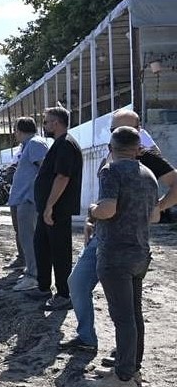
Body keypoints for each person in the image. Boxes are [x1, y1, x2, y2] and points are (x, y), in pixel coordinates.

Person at [60, 109, 177, 352]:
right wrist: (93, 222)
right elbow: (106, 198)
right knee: (79, 284)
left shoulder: (147, 157)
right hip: (104, 236)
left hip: (125, 243)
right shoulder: (111, 156)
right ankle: (88, 338)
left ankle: (125, 361)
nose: (118, 134)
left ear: (139, 131)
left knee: (126, 310)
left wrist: (159, 208)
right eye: (114, 130)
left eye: (126, 129)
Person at [85, 126, 160, 387]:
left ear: (111, 148)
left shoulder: (111, 170)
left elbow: (107, 209)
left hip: (116, 253)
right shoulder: (148, 174)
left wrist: (92, 211)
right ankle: (132, 369)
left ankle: (123, 376)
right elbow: (155, 216)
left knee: (123, 317)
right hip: (140, 252)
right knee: (134, 315)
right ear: (137, 148)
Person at [28, 105, 82, 311]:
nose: (44, 125)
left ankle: (64, 294)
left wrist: (50, 206)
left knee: (60, 252)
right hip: (47, 209)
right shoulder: (58, 144)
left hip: (57, 210)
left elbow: (62, 177)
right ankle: (43, 288)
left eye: (46, 121)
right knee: (42, 246)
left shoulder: (66, 145)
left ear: (56, 123)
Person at [8, 117, 49, 291]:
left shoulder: (34, 144)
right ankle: (31, 272)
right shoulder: (28, 145)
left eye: (15, 130)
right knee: (27, 238)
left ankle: (34, 276)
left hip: (29, 200)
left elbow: (45, 170)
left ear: (19, 130)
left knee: (29, 239)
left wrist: (35, 196)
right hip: (25, 199)